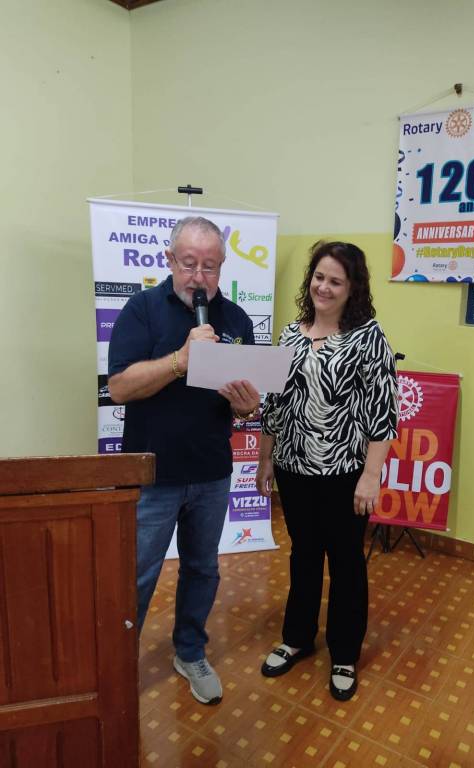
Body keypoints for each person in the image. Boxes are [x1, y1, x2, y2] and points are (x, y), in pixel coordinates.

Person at [108, 216, 260, 705]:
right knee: (136, 575)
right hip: (152, 475)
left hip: (211, 473)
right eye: (189, 263)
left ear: (222, 267)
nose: (199, 277)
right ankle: (115, 664)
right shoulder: (142, 310)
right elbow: (119, 388)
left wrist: (246, 406)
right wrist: (180, 360)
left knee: (202, 570)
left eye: (209, 266)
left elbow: (247, 403)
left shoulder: (236, 320)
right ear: (169, 259)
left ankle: (190, 651)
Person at [256, 241, 398, 701]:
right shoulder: (289, 335)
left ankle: (344, 654)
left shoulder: (368, 337)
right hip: (293, 468)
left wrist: (371, 476)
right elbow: (274, 405)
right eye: (319, 277)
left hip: (344, 473)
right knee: (303, 554)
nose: (324, 287)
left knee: (346, 562)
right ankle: (297, 637)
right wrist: (265, 460)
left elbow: (383, 414)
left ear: (353, 288)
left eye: (336, 281)